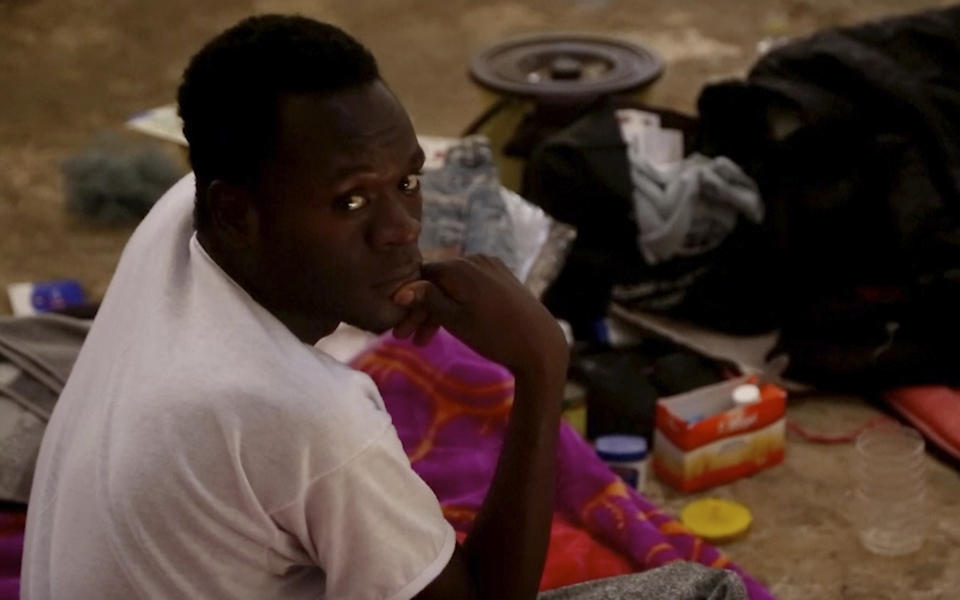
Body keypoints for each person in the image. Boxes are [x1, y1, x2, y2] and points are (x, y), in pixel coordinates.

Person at [21, 14, 568, 600]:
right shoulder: (303, 415)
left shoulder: (180, 214)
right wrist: (542, 364)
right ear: (235, 214)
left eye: (408, 182)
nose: (402, 229)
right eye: (352, 199)